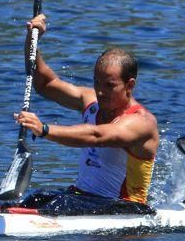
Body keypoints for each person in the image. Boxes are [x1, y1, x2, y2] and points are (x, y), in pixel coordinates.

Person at [11, 14, 158, 213]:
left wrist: (44, 129)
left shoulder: (141, 122)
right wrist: (32, 40)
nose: (100, 91)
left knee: (58, 205)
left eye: (109, 86)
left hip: (126, 208)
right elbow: (46, 84)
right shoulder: (91, 101)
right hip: (83, 198)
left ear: (129, 85)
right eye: (97, 82)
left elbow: (96, 136)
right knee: (37, 198)